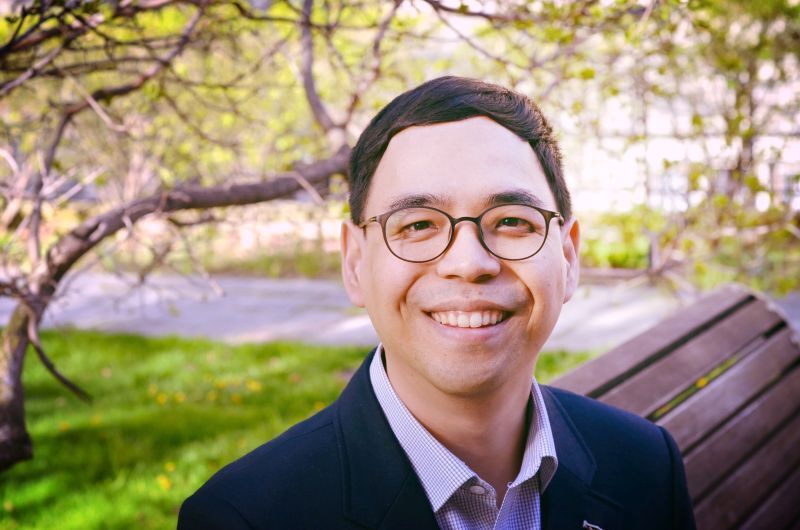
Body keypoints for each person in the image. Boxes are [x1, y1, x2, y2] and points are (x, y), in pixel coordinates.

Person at [178, 76, 696, 530]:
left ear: (567, 257)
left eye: (513, 220)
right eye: (418, 225)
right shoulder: (245, 517)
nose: (469, 263)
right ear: (355, 263)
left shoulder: (647, 465)